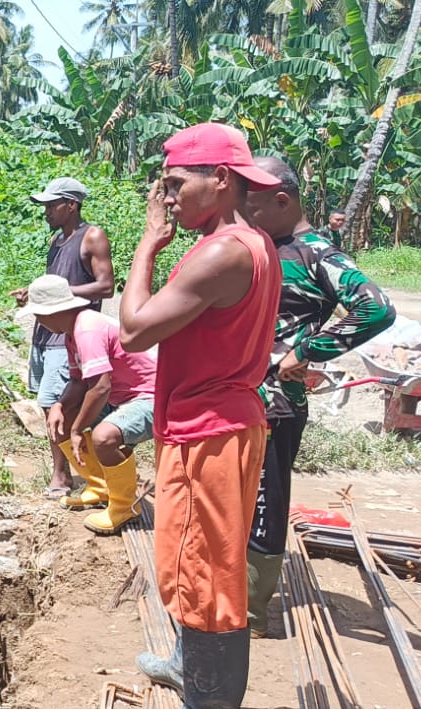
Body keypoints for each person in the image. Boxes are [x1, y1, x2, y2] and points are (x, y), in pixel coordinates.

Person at [121, 123, 281, 708]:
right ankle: (190, 673)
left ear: (220, 179)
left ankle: (206, 698)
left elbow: (135, 330)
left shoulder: (220, 252)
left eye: (174, 183)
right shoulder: (255, 242)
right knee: (209, 565)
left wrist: (145, 244)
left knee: (206, 580)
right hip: (228, 422)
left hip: (206, 433)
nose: (166, 198)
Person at [243, 156, 394, 635]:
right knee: (242, 499)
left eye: (253, 205)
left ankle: (249, 612)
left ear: (282, 200)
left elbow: (377, 308)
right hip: (247, 400)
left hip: (277, 403)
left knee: (265, 502)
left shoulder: (314, 253)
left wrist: (307, 351)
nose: (246, 214)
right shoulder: (270, 245)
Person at [23, 275, 157, 533]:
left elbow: (100, 387)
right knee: (63, 418)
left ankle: (125, 506)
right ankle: (100, 486)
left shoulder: (87, 329)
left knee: (103, 438)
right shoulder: (70, 333)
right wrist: (60, 406)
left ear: (53, 311)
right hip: (121, 397)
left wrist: (76, 431)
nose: (38, 321)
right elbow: (78, 381)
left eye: (39, 315)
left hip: (150, 397)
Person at [11, 177, 114, 500]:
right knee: (47, 404)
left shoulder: (92, 237)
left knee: (61, 403)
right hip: (48, 332)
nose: (46, 212)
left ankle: (64, 474)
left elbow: (106, 286)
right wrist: (36, 294)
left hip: (71, 331)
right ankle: (67, 469)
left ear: (71, 205)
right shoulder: (57, 241)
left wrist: (61, 294)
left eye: (52, 205)